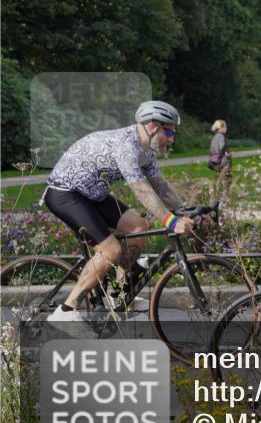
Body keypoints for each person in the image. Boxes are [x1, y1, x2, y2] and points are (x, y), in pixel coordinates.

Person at [43, 100, 196, 326]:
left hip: (93, 195)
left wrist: (184, 210)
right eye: (169, 131)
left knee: (139, 227)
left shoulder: (146, 150)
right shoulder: (126, 145)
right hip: (65, 194)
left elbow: (160, 185)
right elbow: (141, 190)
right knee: (111, 250)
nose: (172, 139)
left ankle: (119, 293)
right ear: (152, 126)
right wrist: (171, 221)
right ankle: (67, 309)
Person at [208, 119, 232, 195]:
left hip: (212, 161)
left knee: (224, 173)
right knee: (227, 167)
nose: (226, 128)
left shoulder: (215, 136)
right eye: (225, 127)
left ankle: (219, 186)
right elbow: (222, 148)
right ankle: (220, 187)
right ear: (221, 127)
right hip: (219, 161)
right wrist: (227, 154)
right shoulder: (221, 136)